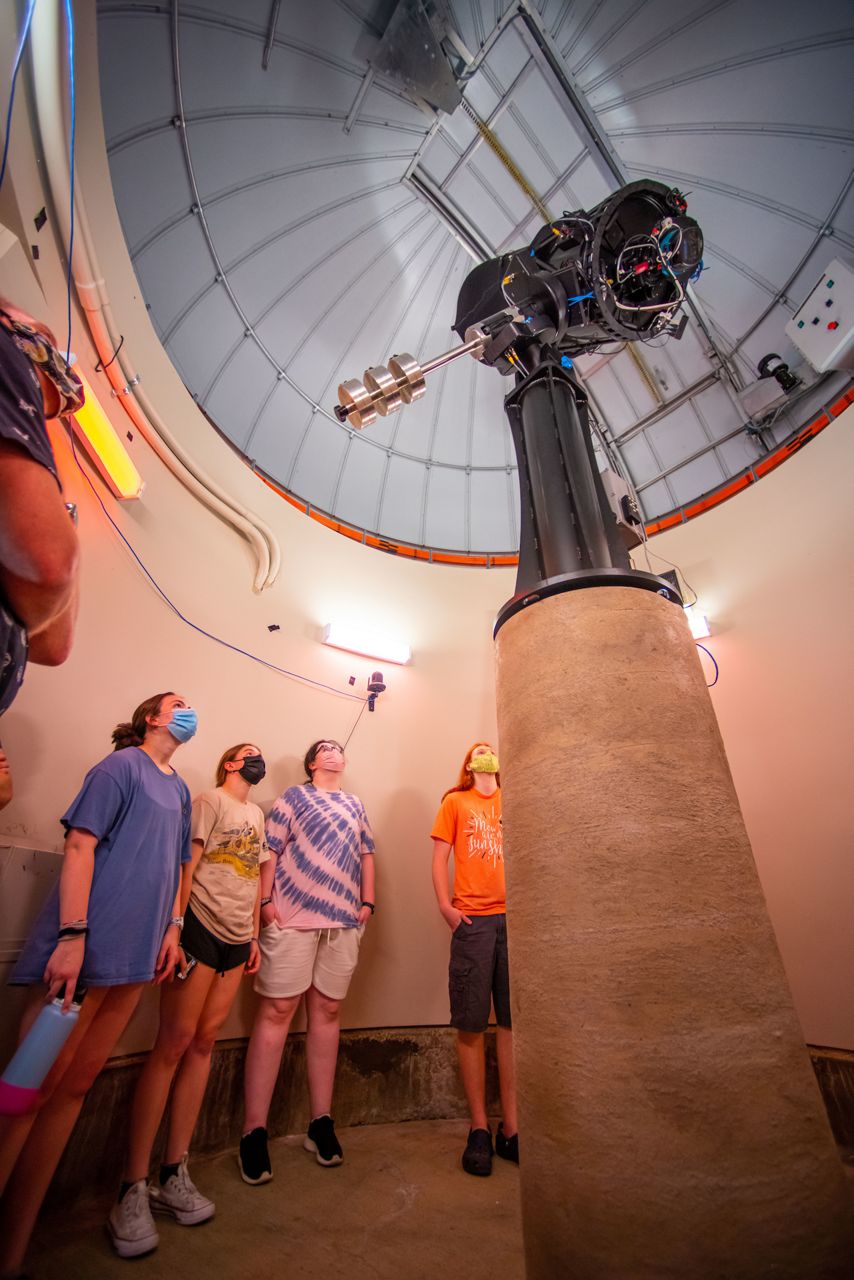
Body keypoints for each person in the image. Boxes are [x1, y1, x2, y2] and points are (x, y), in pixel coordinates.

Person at [0, 692, 195, 1278]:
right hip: (84, 952)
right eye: (179, 704)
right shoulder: (118, 768)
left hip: (138, 957)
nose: (190, 713)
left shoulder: (180, 788)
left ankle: (12, 1253)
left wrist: (173, 928)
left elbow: (179, 865)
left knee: (76, 1088)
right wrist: (72, 934)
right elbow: (80, 845)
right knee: (25, 1095)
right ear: (151, 718)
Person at [108, 742, 268, 1258]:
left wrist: (255, 937)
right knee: (172, 1046)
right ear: (230, 763)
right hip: (198, 926)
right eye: (250, 753)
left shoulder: (258, 813)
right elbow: (188, 866)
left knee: (204, 1044)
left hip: (238, 937)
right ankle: (131, 1186)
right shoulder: (208, 800)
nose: (257, 759)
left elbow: (255, 877)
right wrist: (175, 928)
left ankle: (174, 1171)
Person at [239, 739, 375, 1183]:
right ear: (313, 762)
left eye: (340, 748)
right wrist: (266, 903)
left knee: (328, 1011)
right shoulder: (292, 799)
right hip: (292, 918)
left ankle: (321, 1122)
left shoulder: (355, 804)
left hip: (342, 922)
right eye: (327, 748)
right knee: (278, 1010)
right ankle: (253, 1132)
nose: (336, 752)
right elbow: (270, 851)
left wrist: (367, 904)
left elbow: (366, 854)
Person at [430, 742, 518, 1177]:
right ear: (468, 763)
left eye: (490, 749)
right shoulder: (455, 801)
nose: (486, 753)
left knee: (511, 1024)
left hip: (514, 921)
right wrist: (446, 907)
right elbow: (439, 857)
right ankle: (479, 1128)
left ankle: (512, 1128)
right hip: (473, 922)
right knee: (470, 1022)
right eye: (478, 750)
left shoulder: (515, 796)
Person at [0, 298, 82, 715]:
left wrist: (63, 516)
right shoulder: (7, 348)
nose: (64, 369)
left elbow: (54, 647)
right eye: (46, 340)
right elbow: (49, 565)